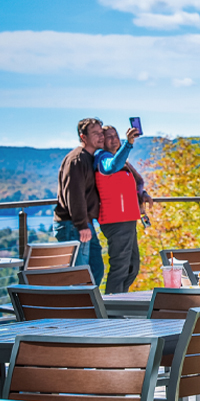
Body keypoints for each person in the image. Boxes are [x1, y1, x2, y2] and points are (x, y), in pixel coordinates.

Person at [95, 125, 153, 294]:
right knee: (120, 268)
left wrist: (144, 194)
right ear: (101, 141)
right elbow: (110, 167)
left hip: (128, 219)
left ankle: (119, 302)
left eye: (116, 136)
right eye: (109, 137)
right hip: (115, 220)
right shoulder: (102, 157)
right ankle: (112, 311)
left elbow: (131, 185)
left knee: (132, 267)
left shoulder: (120, 161)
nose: (114, 140)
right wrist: (128, 144)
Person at [53, 118, 106, 284]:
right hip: (74, 225)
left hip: (84, 223)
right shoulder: (77, 160)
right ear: (83, 137)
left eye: (101, 132)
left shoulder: (90, 158)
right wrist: (82, 224)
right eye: (95, 133)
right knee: (81, 278)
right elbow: (74, 195)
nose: (101, 136)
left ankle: (90, 308)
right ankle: (78, 308)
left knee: (96, 269)